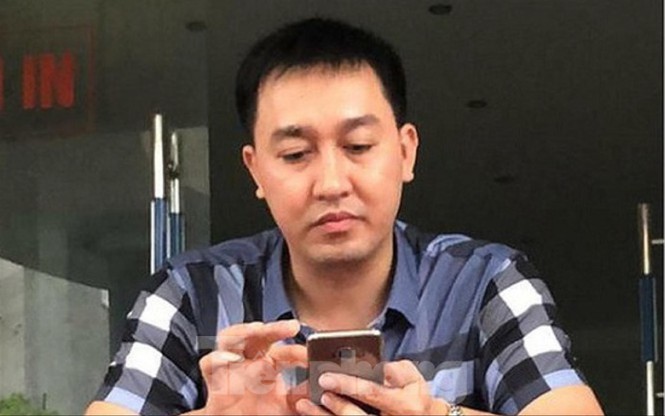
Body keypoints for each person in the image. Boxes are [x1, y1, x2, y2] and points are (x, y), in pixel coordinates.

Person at [85, 17, 604, 416]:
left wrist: (436, 414)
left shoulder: (483, 282)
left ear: (406, 152)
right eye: (296, 154)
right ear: (256, 170)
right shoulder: (191, 293)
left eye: (358, 146)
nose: (331, 183)